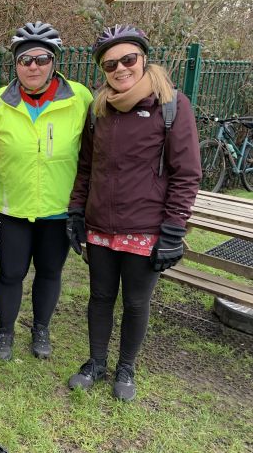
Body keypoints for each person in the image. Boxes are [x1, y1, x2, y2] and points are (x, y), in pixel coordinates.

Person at [67, 25, 201, 401]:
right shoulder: (98, 109)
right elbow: (86, 167)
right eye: (110, 64)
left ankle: (126, 367)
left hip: (146, 226)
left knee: (136, 302)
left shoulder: (172, 105)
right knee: (100, 296)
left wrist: (173, 230)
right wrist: (76, 212)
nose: (120, 69)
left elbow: (187, 174)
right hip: (100, 224)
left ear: (143, 59)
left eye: (128, 59)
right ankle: (96, 362)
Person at [0, 22, 93, 362]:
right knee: (10, 273)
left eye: (42, 59)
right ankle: (5, 331)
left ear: (54, 62)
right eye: (25, 60)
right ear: (15, 64)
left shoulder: (80, 99)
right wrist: (4, 175)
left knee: (50, 272)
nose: (33, 67)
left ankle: (41, 328)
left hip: (58, 208)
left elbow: (90, 150)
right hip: (13, 207)